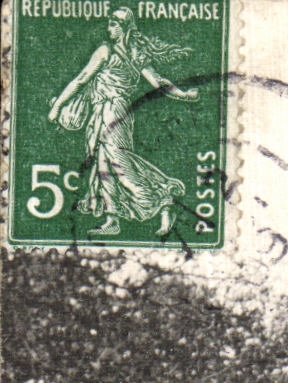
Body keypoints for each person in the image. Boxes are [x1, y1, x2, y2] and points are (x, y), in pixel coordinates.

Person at [47, 8, 199, 237]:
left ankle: (164, 198)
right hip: (111, 112)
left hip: (113, 111)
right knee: (103, 164)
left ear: (123, 27)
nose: (109, 29)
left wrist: (58, 106)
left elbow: (82, 79)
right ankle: (113, 218)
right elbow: (159, 82)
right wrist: (183, 95)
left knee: (118, 161)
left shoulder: (108, 51)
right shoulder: (134, 53)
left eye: (113, 24)